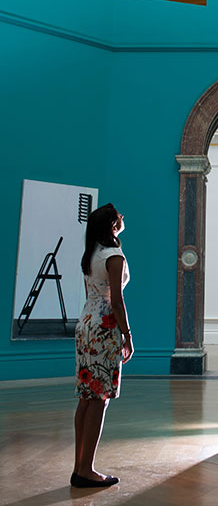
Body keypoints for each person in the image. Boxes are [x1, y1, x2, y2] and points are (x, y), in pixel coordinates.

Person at [71, 203, 133, 488]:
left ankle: (79, 467)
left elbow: (92, 294)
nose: (122, 217)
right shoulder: (113, 256)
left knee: (87, 397)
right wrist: (127, 334)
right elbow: (116, 302)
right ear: (112, 225)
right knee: (100, 398)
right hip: (103, 328)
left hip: (85, 324)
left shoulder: (92, 255)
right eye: (118, 215)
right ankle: (87, 470)